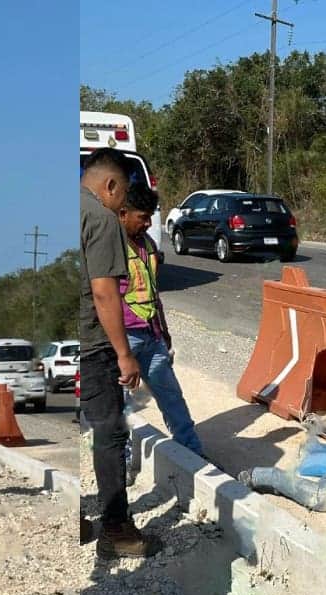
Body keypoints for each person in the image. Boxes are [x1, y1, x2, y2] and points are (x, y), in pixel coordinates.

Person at [79, 147, 152, 558]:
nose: (122, 203)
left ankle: (74, 518)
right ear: (110, 185)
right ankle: (116, 529)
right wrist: (124, 354)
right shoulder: (101, 218)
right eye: (122, 193)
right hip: (92, 345)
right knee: (109, 432)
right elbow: (105, 292)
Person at [116, 180, 203, 455]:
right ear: (123, 213)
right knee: (120, 405)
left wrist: (163, 331)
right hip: (124, 338)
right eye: (142, 218)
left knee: (172, 397)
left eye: (150, 218)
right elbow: (104, 299)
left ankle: (192, 452)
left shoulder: (148, 244)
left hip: (151, 335)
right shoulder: (109, 247)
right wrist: (120, 351)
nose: (146, 224)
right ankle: (123, 459)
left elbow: (152, 291)